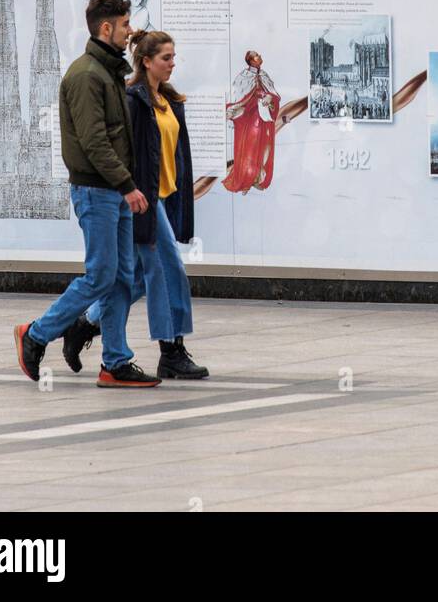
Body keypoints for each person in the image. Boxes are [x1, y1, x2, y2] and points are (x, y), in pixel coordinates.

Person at [13, 0, 161, 388]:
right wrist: (126, 185)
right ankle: (36, 333)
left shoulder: (108, 71)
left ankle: (114, 362)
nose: (130, 30)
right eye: (125, 24)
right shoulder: (85, 75)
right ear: (105, 28)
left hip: (112, 191)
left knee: (121, 279)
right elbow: (94, 143)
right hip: (97, 192)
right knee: (100, 277)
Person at [62, 29, 208, 380]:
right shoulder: (132, 99)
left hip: (162, 196)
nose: (172, 64)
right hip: (140, 198)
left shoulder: (168, 99)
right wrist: (127, 192)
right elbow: (120, 151)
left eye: (174, 57)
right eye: (165, 58)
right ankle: (171, 350)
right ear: (146, 61)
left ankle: (85, 323)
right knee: (169, 269)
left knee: (135, 279)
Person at [222, 50, 280, 194]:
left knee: (264, 145)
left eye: (259, 55)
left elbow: (274, 95)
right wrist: (232, 109)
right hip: (248, 117)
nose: (260, 57)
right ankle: (246, 179)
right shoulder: (244, 77)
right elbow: (236, 96)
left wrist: (270, 98)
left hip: (264, 116)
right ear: (251, 60)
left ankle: (257, 178)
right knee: (250, 146)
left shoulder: (264, 75)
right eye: (257, 56)